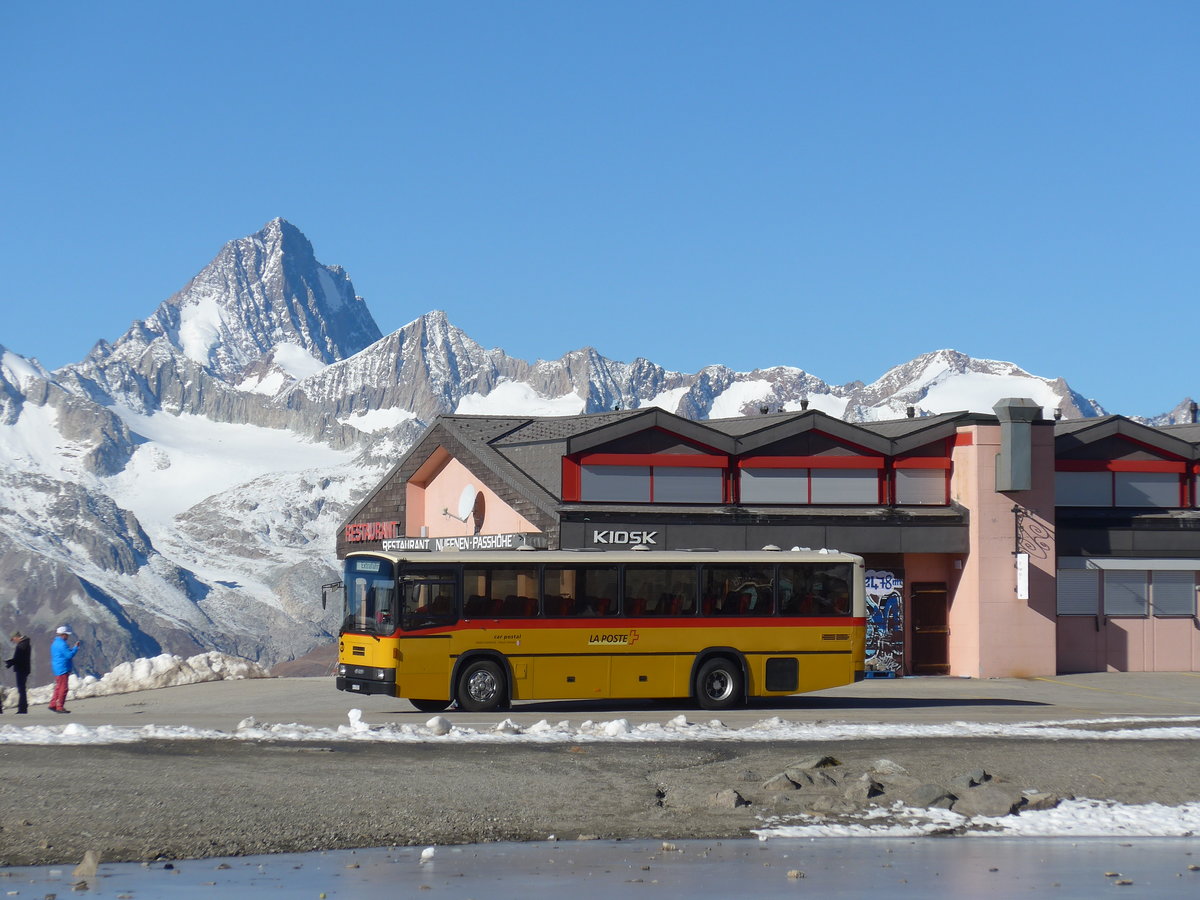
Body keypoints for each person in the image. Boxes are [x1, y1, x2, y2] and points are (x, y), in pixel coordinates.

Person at [49, 625, 81, 714]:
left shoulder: (55, 643)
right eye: (67, 635)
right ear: (63, 635)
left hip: (57, 668)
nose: (67, 637)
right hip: (63, 668)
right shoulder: (62, 644)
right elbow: (69, 655)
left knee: (58, 687)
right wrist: (75, 648)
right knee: (63, 688)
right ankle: (60, 706)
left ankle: (53, 704)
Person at [5, 631, 32, 714]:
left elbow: (19, 659)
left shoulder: (22, 645)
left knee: (21, 689)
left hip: (21, 669)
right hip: (24, 668)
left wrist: (10, 662)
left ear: (16, 637)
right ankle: (23, 708)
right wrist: (11, 662)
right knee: (22, 689)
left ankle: (22, 709)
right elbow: (20, 658)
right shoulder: (25, 644)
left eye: (13, 639)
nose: (13, 641)